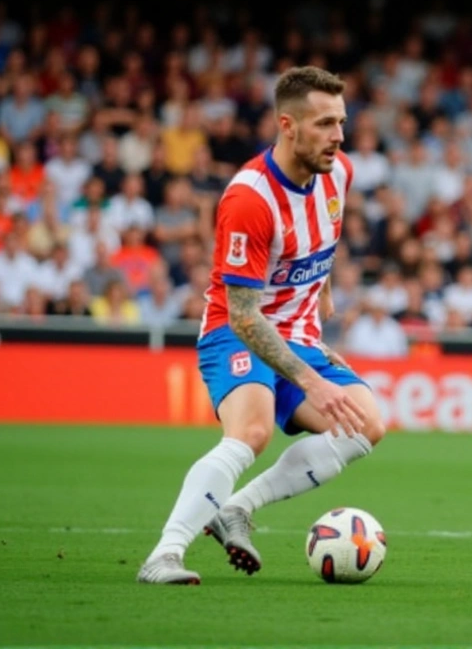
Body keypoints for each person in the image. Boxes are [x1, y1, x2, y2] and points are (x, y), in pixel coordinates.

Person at [137, 66, 386, 585]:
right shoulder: (249, 199)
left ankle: (238, 509)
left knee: (367, 424)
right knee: (251, 432)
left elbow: (321, 239)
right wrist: (309, 376)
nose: (338, 136)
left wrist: (321, 299)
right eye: (324, 124)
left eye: (341, 122)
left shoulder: (337, 171)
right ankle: (164, 555)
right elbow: (245, 315)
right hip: (235, 332)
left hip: (297, 335)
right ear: (287, 126)